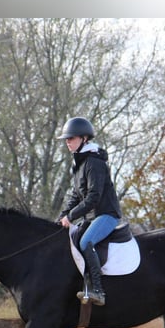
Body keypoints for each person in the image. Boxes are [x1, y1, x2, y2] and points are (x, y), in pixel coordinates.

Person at [56, 116, 122, 306]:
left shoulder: (94, 163)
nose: (68, 142)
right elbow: (75, 196)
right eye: (67, 139)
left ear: (84, 138)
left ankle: (98, 291)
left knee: (86, 242)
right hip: (91, 217)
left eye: (71, 138)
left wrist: (71, 216)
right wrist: (61, 216)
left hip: (107, 215)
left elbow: (94, 197)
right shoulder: (79, 164)